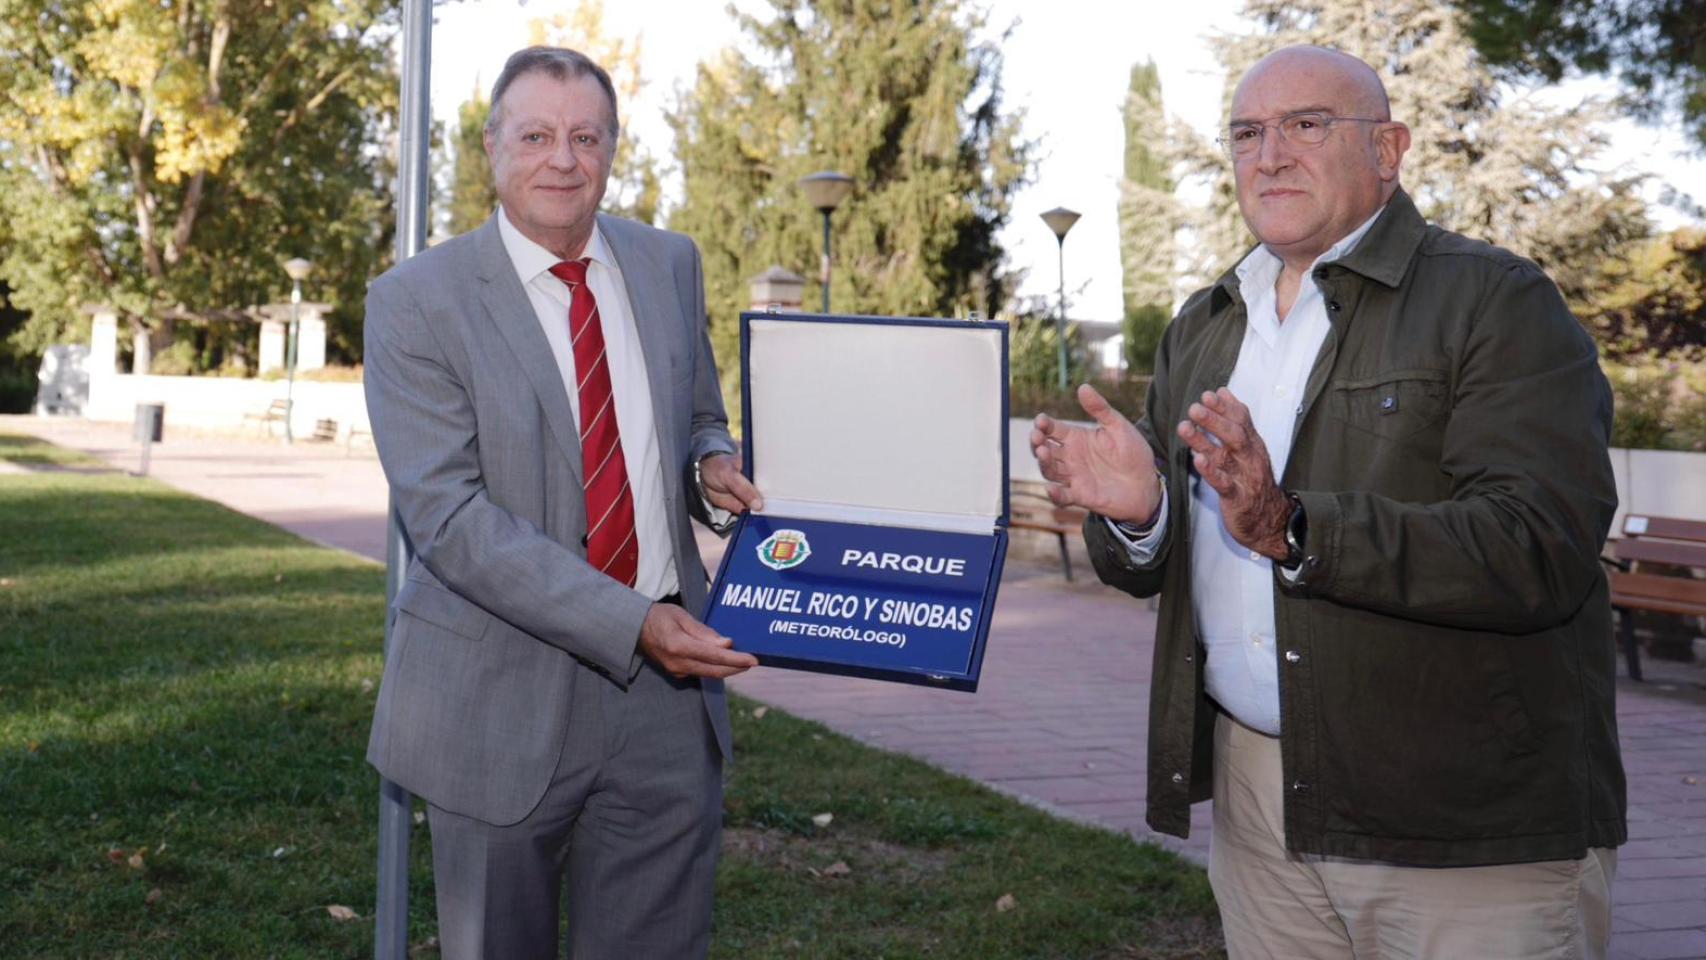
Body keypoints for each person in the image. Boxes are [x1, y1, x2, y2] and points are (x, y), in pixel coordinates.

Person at [1031, 45, 1625, 959]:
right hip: (1260, 797)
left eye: (1306, 125)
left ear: (1388, 150)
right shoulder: (1208, 321)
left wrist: (1291, 525)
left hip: (1458, 819)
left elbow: (1538, 546)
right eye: (1246, 133)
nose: (1269, 155)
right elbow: (1166, 561)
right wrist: (1141, 513)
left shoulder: (1496, 302)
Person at [362, 46, 763, 959]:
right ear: (493, 149)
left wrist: (711, 465)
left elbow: (699, 413)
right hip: (493, 700)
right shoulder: (415, 303)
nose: (563, 159)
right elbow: (450, 520)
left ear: (613, 150)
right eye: (537, 134)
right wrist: (630, 622)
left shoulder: (668, 264)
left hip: (667, 702)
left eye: (586, 137)